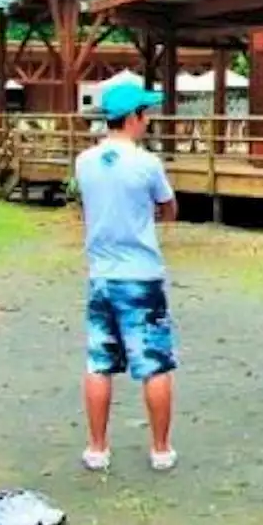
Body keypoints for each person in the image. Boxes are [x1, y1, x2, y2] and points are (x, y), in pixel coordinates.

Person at [74, 82, 179, 473]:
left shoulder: (85, 161)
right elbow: (168, 206)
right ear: (134, 117)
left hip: (101, 273)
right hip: (141, 274)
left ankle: (98, 448)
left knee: (99, 362)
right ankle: (160, 447)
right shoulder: (146, 163)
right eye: (145, 114)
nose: (148, 121)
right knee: (154, 362)